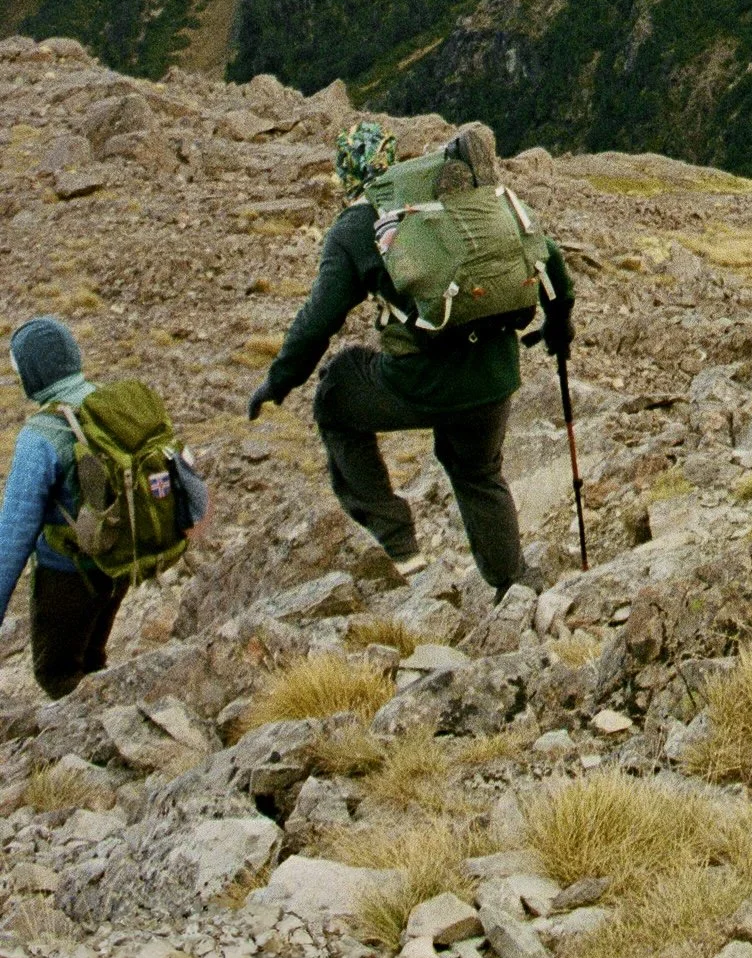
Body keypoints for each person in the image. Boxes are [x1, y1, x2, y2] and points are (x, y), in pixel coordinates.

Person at [248, 120, 573, 593]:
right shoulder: (457, 202)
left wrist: (278, 382)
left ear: (345, 176)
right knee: (478, 472)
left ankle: (397, 541)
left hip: (424, 380)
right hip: (495, 376)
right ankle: (513, 586)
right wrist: (559, 325)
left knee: (336, 394)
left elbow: (319, 320)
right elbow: (549, 257)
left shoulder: (360, 226)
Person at [0, 316, 207, 698]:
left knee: (57, 672)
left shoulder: (41, 435)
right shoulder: (111, 407)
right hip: (121, 560)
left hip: (67, 572)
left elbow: (13, 535)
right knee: (91, 658)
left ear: (30, 373)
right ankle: (109, 714)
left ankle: (96, 741)